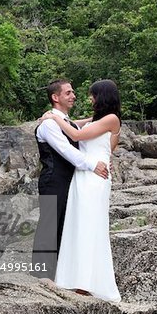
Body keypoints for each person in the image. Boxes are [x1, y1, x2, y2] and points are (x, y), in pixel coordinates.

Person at [40, 79, 121, 302]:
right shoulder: (98, 120)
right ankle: (71, 278)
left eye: (92, 95)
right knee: (77, 226)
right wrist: (54, 118)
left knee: (90, 227)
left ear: (102, 96)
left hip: (95, 176)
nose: (88, 99)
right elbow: (74, 125)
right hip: (83, 176)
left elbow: (76, 135)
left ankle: (86, 282)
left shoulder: (112, 119)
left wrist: (54, 117)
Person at [32, 79, 109, 280]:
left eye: (73, 92)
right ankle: (41, 277)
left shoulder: (65, 122)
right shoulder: (49, 124)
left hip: (68, 180)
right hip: (53, 179)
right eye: (68, 93)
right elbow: (66, 150)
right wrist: (92, 165)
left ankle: (56, 274)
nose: (73, 95)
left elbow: (78, 125)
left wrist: (104, 117)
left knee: (63, 225)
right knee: (49, 225)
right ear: (55, 98)